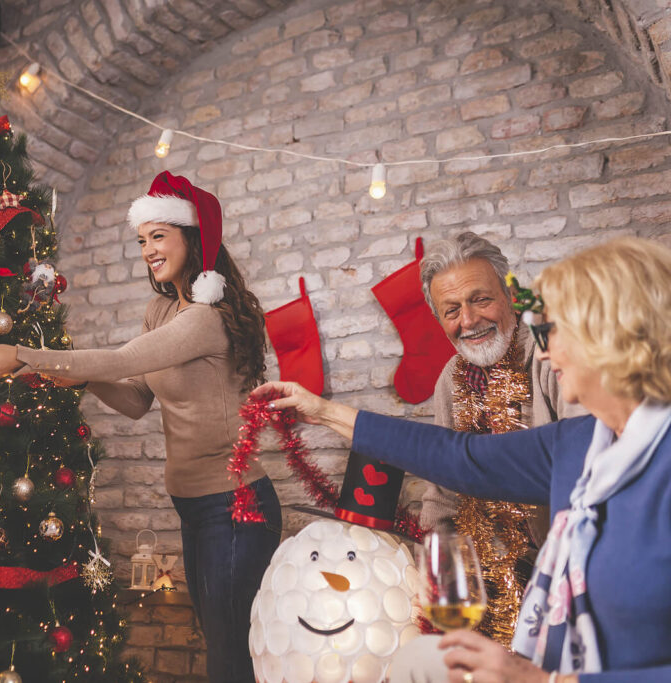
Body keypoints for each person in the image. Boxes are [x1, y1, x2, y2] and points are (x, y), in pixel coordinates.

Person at [254, 236, 671, 682]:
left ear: (612, 337)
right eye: (452, 309)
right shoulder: (581, 442)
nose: (546, 348)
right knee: (417, 665)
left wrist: (540, 681)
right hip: (530, 624)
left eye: (554, 330)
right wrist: (323, 411)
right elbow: (459, 459)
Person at [0, 171, 280, 683]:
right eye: (142, 240)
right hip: (194, 508)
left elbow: (123, 357)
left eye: (159, 236)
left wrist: (24, 356)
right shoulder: (161, 309)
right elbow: (133, 400)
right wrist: (79, 380)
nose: (148, 250)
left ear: (191, 237)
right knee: (219, 640)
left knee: (230, 654)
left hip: (234, 507)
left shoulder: (206, 317)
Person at [417, 231, 585, 644]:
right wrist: (436, 576)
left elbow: (584, 470)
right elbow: (442, 490)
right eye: (451, 309)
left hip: (564, 570)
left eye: (480, 299)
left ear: (510, 294)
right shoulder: (450, 381)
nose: (468, 321)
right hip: (486, 577)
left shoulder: (551, 357)